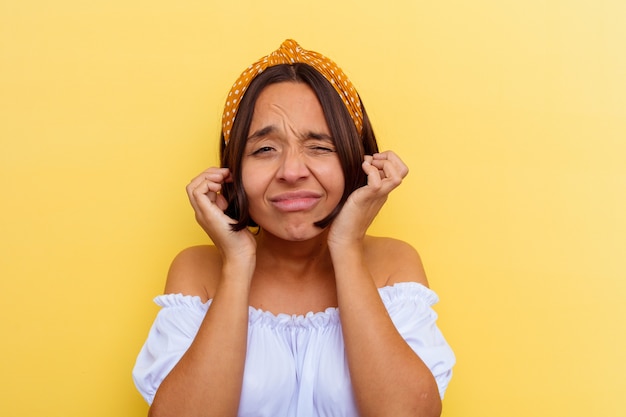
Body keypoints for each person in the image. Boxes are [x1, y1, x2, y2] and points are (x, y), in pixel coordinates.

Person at [133, 39, 455, 417]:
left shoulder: (394, 266)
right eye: (265, 150)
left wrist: (347, 246)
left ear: (357, 161)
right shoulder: (197, 272)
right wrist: (236, 262)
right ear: (232, 172)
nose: (291, 172)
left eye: (319, 147)